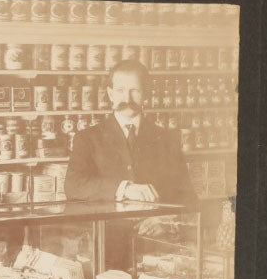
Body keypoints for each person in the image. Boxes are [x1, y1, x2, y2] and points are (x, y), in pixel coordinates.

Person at [64, 58, 196, 206]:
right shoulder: (87, 138)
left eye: (134, 91)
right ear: (110, 94)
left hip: (156, 225)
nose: (127, 98)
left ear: (146, 94)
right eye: (120, 91)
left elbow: (186, 195)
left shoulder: (167, 139)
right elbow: (73, 186)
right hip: (109, 228)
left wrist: (165, 220)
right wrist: (124, 189)